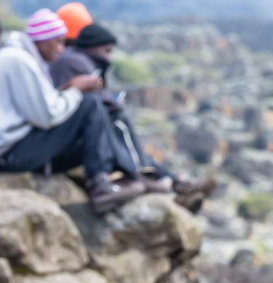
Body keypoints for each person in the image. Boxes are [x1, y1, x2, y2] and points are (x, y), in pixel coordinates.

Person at [0, 9, 145, 214]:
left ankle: (117, 178)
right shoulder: (18, 60)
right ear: (43, 40)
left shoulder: (23, 58)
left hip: (12, 150)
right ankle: (101, 186)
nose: (61, 49)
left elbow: (42, 105)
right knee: (89, 103)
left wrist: (70, 88)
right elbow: (46, 116)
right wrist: (76, 89)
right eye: (58, 42)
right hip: (9, 155)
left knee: (95, 141)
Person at [48, 21, 214, 209]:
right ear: (92, 46)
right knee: (119, 122)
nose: (109, 58)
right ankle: (146, 176)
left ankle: (177, 185)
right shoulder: (76, 62)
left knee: (126, 144)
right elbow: (96, 102)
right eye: (107, 51)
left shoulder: (78, 60)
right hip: (68, 139)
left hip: (70, 134)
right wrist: (115, 104)